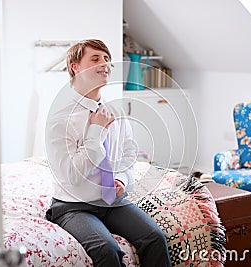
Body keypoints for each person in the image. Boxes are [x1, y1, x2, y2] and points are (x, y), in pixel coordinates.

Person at [45, 39, 171, 267]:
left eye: (107, 59)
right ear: (75, 67)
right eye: (95, 59)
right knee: (106, 250)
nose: (104, 64)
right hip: (73, 206)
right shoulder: (60, 121)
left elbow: (128, 153)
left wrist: (122, 179)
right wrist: (95, 131)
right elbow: (71, 177)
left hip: (111, 201)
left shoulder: (116, 112)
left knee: (155, 238)